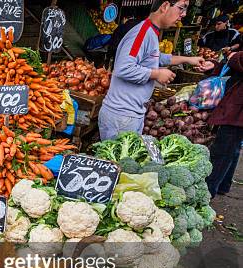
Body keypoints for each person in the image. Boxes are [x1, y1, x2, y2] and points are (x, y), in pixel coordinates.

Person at [98, 0, 207, 141]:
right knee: (115, 162)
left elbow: (155, 57)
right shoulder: (142, 33)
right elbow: (123, 68)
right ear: (165, 6)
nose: (184, 14)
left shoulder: (151, 32)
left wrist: (187, 60)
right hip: (121, 116)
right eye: (181, 8)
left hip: (130, 114)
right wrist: (157, 74)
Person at [202, 51, 242, 198]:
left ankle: (208, 190)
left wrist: (235, 56)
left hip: (237, 109)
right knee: (232, 147)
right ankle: (222, 185)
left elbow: (238, 60)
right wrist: (216, 65)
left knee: (224, 148)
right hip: (235, 103)